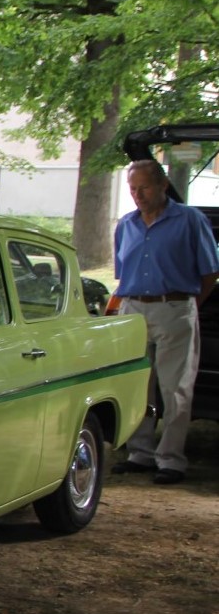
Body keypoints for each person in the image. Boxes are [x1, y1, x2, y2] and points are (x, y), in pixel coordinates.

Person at [111, 159, 219, 485]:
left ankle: (171, 459)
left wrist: (185, 306)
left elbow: (210, 273)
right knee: (136, 386)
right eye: (132, 188)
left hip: (174, 308)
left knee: (175, 388)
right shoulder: (126, 225)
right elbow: (122, 275)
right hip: (133, 311)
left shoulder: (189, 220)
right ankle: (139, 453)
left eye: (143, 187)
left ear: (162, 185)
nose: (137, 195)